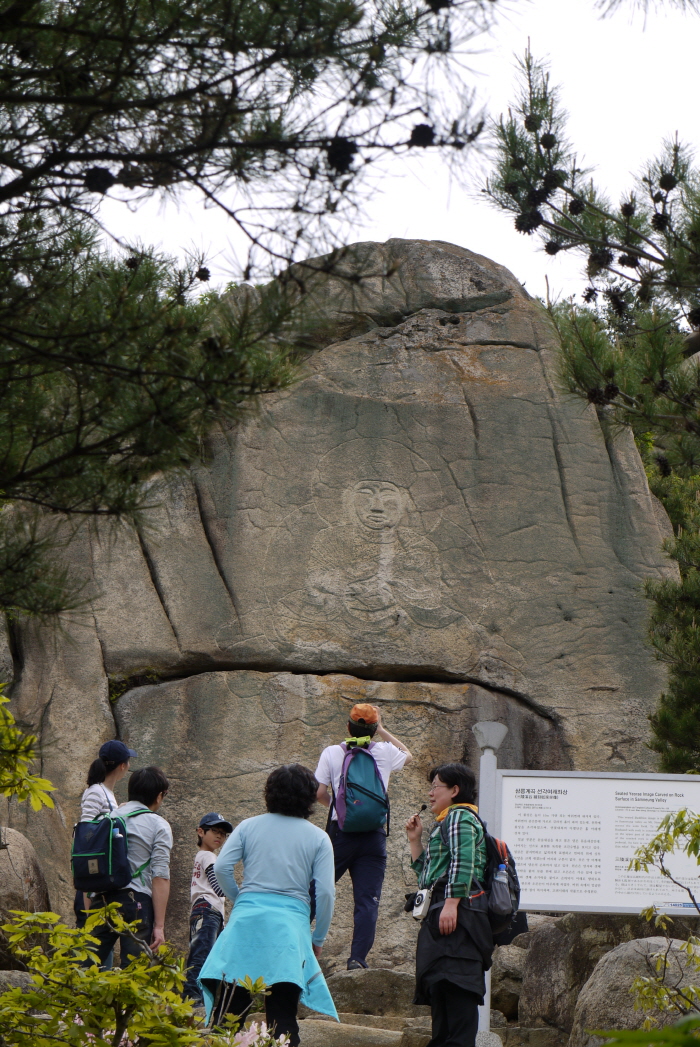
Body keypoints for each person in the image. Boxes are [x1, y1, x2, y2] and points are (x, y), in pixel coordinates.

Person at [199, 764, 337, 1045]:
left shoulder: (249, 826)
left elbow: (223, 867)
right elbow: (325, 893)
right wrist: (317, 937)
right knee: (283, 1018)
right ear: (310, 798)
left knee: (229, 1017)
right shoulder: (319, 838)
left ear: (269, 793)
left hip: (245, 925)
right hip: (289, 932)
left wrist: (241, 899)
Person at [315, 702, 412, 970]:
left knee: (317, 889)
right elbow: (409, 754)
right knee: (367, 901)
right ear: (373, 729)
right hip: (373, 837)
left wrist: (340, 808)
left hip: (341, 834)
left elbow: (319, 793)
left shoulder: (333, 752)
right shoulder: (385, 751)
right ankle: (357, 959)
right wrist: (382, 730)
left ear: (348, 726)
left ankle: (297, 943)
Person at [405, 762, 493, 1047]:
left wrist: (452, 903)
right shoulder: (445, 822)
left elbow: (463, 861)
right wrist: (415, 842)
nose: (430, 793)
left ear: (455, 790)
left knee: (456, 992)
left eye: (435, 787)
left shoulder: (459, 817)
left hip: (460, 920)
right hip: (444, 918)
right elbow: (428, 878)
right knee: (443, 992)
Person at [89, 765, 172, 967]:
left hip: (102, 899)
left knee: (87, 965)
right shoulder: (158, 825)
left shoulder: (107, 819)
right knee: (135, 973)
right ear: (159, 796)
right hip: (136, 902)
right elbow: (160, 876)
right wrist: (159, 926)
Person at [74, 739, 137, 928]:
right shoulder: (95, 791)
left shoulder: (107, 792)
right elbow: (87, 832)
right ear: (122, 766)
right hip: (93, 876)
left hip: (101, 874)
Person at [183, 811, 233, 1003]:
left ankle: (197, 999)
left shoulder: (202, 856)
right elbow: (219, 889)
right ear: (200, 832)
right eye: (214, 830)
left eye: (223, 833)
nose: (219, 835)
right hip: (208, 909)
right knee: (202, 956)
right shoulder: (209, 857)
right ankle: (193, 1000)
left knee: (201, 954)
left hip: (202, 909)